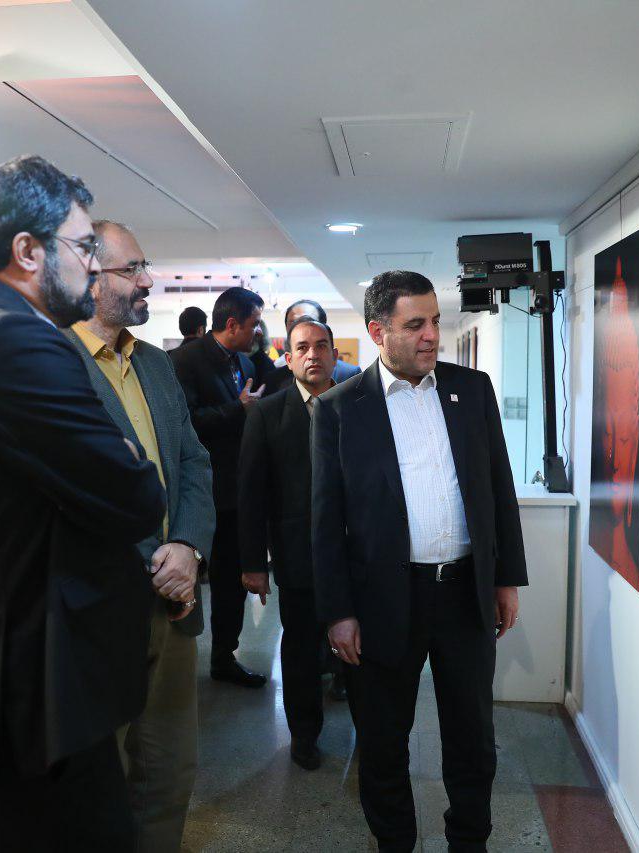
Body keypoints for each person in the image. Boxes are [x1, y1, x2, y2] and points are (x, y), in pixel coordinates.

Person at [0, 156, 166, 852]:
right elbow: (136, 496)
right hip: (31, 702)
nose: (93, 265)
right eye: (83, 247)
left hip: (18, 685)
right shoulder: (15, 340)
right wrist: (129, 456)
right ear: (28, 251)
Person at [311, 270, 528, 852]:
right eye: (415, 325)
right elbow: (326, 523)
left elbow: (498, 489)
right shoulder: (339, 409)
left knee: (473, 738)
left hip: (463, 593)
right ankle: (395, 843)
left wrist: (506, 578)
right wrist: (338, 612)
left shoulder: (471, 390)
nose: (432, 334)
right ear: (377, 331)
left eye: (434, 321)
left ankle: (469, 841)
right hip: (383, 600)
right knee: (383, 742)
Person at [65, 220, 214, 852]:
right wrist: (157, 561)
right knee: (92, 782)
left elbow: (194, 461)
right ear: (88, 277)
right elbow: (68, 493)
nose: (148, 280)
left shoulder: (154, 363)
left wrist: (188, 546)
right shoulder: (51, 364)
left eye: (144, 266)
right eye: (131, 270)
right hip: (99, 611)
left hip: (173, 604)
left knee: (169, 772)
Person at [239, 318, 338, 770]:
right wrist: (253, 563)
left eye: (321, 345)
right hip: (298, 553)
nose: (312, 354)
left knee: (362, 646)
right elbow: (251, 493)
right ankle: (304, 736)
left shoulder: (359, 405)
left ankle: (371, 733)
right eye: (302, 347)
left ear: (334, 353)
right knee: (301, 650)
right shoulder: (267, 413)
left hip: (358, 553)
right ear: (289, 357)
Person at [170, 286, 267, 686]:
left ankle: (224, 657)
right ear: (232, 324)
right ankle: (172, 664)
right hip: (196, 493)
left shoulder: (244, 361)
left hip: (233, 493)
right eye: (254, 324)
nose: (258, 332)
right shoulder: (184, 360)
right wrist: (237, 408)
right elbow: (184, 423)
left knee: (231, 584)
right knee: (181, 578)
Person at [262, 299, 359, 395]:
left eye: (309, 321)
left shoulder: (350, 375)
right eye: (293, 323)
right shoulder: (274, 379)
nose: (302, 329)